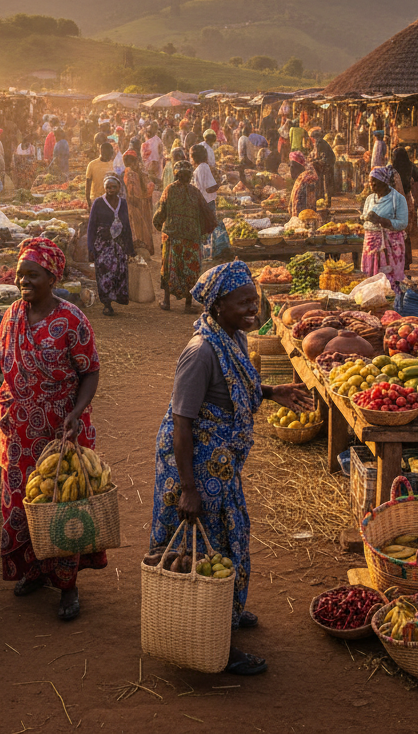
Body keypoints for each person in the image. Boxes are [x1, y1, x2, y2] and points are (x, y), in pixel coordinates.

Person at [149, 262, 307, 675]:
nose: (254, 309)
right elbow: (182, 422)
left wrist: (273, 392)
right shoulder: (201, 352)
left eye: (255, 300)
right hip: (194, 464)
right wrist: (188, 488)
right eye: (243, 303)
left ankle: (228, 609)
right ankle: (217, 639)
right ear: (218, 306)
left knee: (228, 532)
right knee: (208, 545)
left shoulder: (233, 338)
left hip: (219, 464)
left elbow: (237, 391)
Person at [0, 238, 104, 620]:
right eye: (20, 275)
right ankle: (32, 569)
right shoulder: (12, 314)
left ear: (51, 277)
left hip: (59, 426)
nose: (23, 282)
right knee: (20, 501)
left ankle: (67, 585)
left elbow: (91, 370)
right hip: (17, 429)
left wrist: (77, 412)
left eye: (32, 275)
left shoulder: (71, 320)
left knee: (61, 504)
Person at [153, 159, 204, 312]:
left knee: (170, 268)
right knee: (190, 268)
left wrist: (158, 224)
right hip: (191, 236)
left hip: (172, 235)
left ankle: (166, 302)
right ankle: (188, 304)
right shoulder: (195, 192)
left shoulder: (169, 189)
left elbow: (161, 211)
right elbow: (203, 212)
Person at [88, 175, 134, 315]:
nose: (110, 190)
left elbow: (126, 224)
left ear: (119, 188)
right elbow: (92, 226)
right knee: (103, 272)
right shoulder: (98, 203)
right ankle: (107, 303)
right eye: (108, 187)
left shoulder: (123, 203)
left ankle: (117, 297)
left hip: (118, 244)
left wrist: (129, 247)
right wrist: (91, 248)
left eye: (113, 187)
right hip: (102, 244)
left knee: (119, 271)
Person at [360, 166, 409, 290]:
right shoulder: (370, 199)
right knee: (371, 276)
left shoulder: (398, 199)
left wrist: (381, 220)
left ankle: (393, 299)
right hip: (371, 245)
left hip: (390, 247)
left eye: (375, 182)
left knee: (390, 278)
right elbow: (365, 217)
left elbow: (403, 223)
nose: (372, 185)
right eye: (370, 183)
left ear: (384, 182)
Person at [391, 147, 418, 267]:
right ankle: (406, 262)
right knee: (406, 232)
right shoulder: (411, 166)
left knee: (396, 232)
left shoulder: (392, 169)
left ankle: (396, 261)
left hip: (395, 201)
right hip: (407, 200)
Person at [121, 149, 155, 255]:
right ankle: (145, 248)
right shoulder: (138, 171)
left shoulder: (130, 172)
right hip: (140, 203)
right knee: (142, 226)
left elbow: (132, 191)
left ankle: (139, 248)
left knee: (136, 227)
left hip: (135, 203)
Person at [310, 127, 336, 208]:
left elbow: (318, 156)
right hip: (328, 162)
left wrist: (314, 161)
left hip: (327, 163)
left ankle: (324, 200)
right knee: (326, 182)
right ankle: (324, 200)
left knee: (325, 182)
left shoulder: (319, 143)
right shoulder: (321, 142)